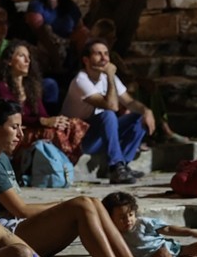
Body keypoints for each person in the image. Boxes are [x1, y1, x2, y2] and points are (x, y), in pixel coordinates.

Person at [0, 101, 136, 257]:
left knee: (92, 202)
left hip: (16, 227)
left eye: (21, 127)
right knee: (81, 205)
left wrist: (66, 204)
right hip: (5, 236)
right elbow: (20, 209)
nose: (20, 134)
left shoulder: (0, 156)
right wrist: (65, 205)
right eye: (14, 127)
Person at [62, 39, 152, 185]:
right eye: (98, 54)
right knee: (108, 115)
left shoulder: (108, 77)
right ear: (86, 60)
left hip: (101, 134)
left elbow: (129, 102)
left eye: (106, 54)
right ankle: (115, 166)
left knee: (138, 118)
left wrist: (146, 111)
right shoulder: (81, 80)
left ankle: (122, 165)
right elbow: (112, 106)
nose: (104, 58)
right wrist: (110, 76)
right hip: (80, 139)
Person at [0, 40, 83, 162]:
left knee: (72, 124)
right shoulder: (1, 87)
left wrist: (55, 121)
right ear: (9, 61)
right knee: (53, 134)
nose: (27, 61)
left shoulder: (31, 87)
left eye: (28, 57)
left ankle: (64, 164)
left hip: (35, 127)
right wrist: (43, 121)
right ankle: (61, 165)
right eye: (21, 56)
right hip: (18, 132)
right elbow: (12, 117)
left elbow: (42, 114)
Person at [103, 191, 197, 257]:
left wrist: (190, 232)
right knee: (162, 255)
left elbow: (167, 229)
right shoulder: (114, 235)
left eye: (130, 215)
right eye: (122, 217)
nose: (128, 220)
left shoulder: (144, 223)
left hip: (174, 252)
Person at [24, 0, 86, 76]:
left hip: (68, 43)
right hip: (45, 45)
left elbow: (80, 27)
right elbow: (39, 30)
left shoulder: (69, 5)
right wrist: (55, 52)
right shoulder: (37, 5)